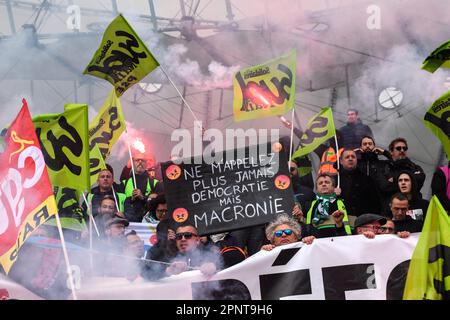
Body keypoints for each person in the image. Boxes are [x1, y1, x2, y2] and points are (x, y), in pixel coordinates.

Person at [302, 173, 353, 239]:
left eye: (327, 182)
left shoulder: (343, 202)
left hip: (339, 240)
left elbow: (350, 225)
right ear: (316, 189)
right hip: (317, 243)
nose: (323, 184)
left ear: (333, 187)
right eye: (320, 183)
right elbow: (307, 225)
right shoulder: (310, 205)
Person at [378, 138, 426, 205]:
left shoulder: (414, 167)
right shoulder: (385, 167)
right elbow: (384, 187)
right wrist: (409, 182)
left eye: (404, 148)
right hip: (392, 209)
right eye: (398, 148)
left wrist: (394, 180)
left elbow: (421, 179)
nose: (402, 150)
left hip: (414, 207)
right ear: (391, 152)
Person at [337, 149, 381, 217]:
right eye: (347, 157)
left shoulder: (367, 179)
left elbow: (375, 203)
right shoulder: (336, 180)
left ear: (357, 160)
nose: (350, 159)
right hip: (341, 220)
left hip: (362, 220)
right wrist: (333, 195)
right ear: (341, 161)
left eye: (353, 157)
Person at [123, 152, 163, 222]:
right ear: (133, 163)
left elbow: (161, 204)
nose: (140, 162)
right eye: (137, 160)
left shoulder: (155, 183)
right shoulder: (124, 183)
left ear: (146, 164)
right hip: (129, 222)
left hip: (149, 222)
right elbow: (120, 203)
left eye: (143, 160)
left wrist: (143, 198)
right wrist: (131, 199)